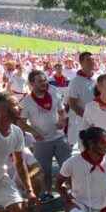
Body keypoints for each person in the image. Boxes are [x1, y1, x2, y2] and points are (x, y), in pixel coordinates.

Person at [19, 70, 71, 203]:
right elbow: (21, 123)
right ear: (31, 84)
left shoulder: (53, 94)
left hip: (59, 138)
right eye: (40, 81)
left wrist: (62, 121)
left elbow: (62, 112)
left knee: (68, 166)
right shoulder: (26, 102)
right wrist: (34, 132)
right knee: (44, 170)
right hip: (41, 142)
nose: (44, 83)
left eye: (44, 80)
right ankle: (47, 193)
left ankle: (73, 191)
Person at [67, 52, 97, 146]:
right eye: (88, 60)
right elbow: (72, 104)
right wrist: (87, 117)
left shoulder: (97, 78)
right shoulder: (75, 82)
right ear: (81, 63)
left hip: (97, 119)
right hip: (82, 121)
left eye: (93, 60)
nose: (92, 62)